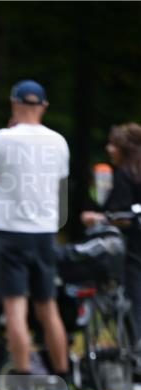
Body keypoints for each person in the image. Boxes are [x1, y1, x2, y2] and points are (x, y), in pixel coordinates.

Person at [0, 80, 71, 390]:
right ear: (44, 106)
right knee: (48, 308)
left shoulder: (5, 138)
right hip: (45, 232)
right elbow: (58, 180)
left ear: (14, 103)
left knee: (15, 309)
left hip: (10, 232)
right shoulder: (59, 141)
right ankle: (63, 378)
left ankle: (23, 381)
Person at [81, 123, 141, 351]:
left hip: (130, 249)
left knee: (134, 296)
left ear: (124, 148)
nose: (108, 149)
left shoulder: (125, 175)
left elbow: (122, 215)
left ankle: (135, 352)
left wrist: (97, 218)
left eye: (113, 145)